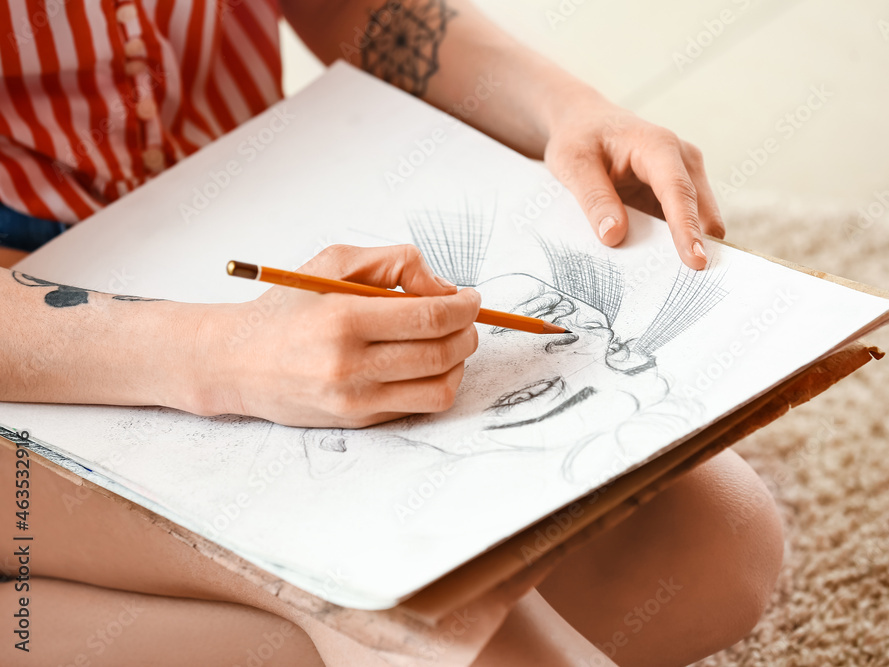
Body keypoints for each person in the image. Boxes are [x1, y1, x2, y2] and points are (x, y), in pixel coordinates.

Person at [0, 1, 784, 665]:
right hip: (36, 346)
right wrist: (224, 357)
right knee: (436, 616)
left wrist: (562, 109)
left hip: (231, 225)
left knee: (717, 549)